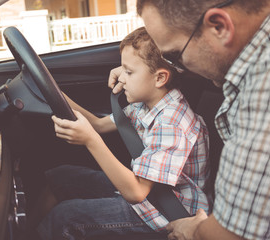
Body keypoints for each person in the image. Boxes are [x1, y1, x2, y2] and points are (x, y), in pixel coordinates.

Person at [109, 1, 270, 239]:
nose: (176, 69)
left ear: (219, 26)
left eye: (173, 55)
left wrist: (193, 228)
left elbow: (230, 234)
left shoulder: (262, 91)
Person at [37, 27, 210, 239]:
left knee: (64, 217)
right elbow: (99, 125)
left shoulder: (171, 124)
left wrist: (91, 141)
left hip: (166, 212)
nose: (122, 78)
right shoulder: (146, 103)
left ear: (159, 78)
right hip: (148, 193)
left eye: (128, 72)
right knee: (60, 177)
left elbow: (136, 193)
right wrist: (52, 91)